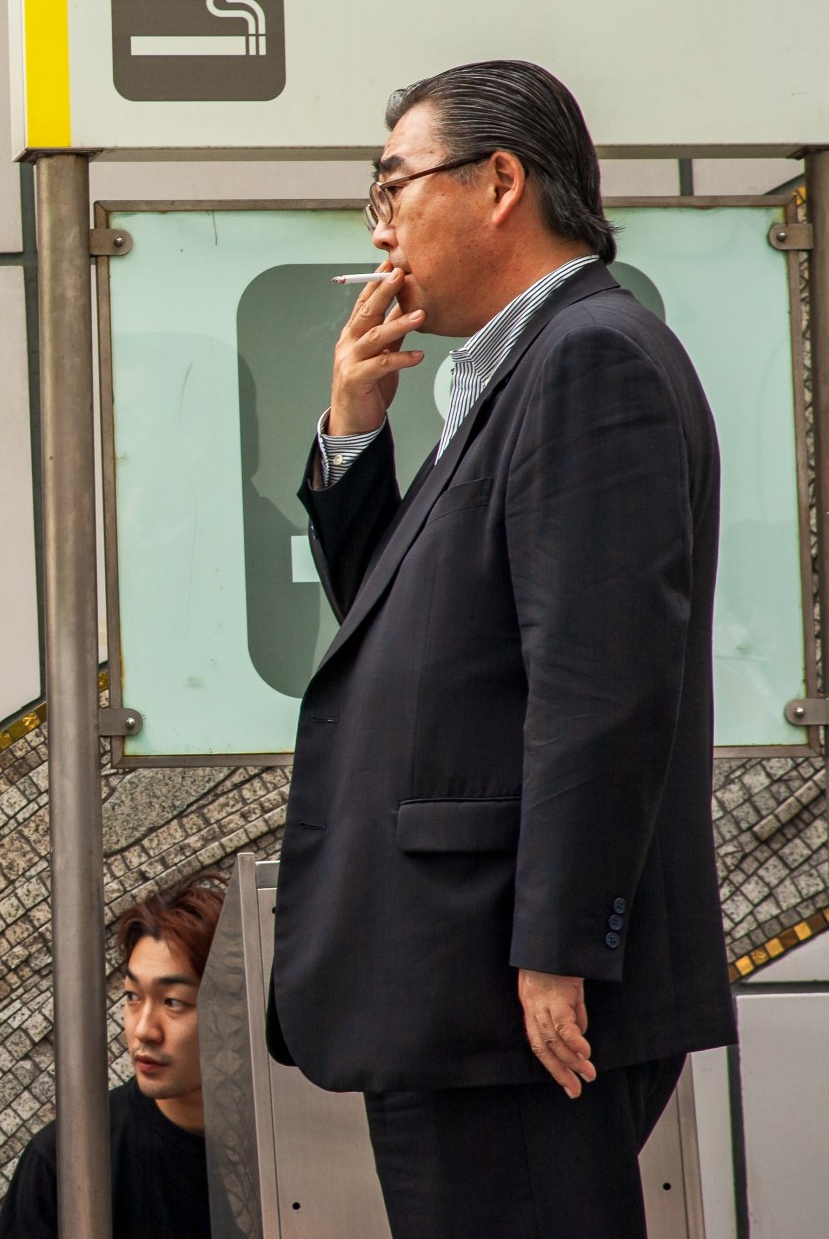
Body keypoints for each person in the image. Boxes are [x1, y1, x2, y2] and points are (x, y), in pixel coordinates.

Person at [269, 60, 736, 1238]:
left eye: (391, 188)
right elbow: (392, 619)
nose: (378, 228)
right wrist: (351, 429)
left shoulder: (586, 359)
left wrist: (556, 950)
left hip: (508, 993)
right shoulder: (520, 370)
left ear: (498, 183)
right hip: (460, 984)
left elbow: (599, 688)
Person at [0, 874, 220, 1239]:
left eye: (173, 1002)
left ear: (235, 1007)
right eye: (132, 996)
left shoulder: (289, 1145)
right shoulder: (66, 1162)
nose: (144, 1029)